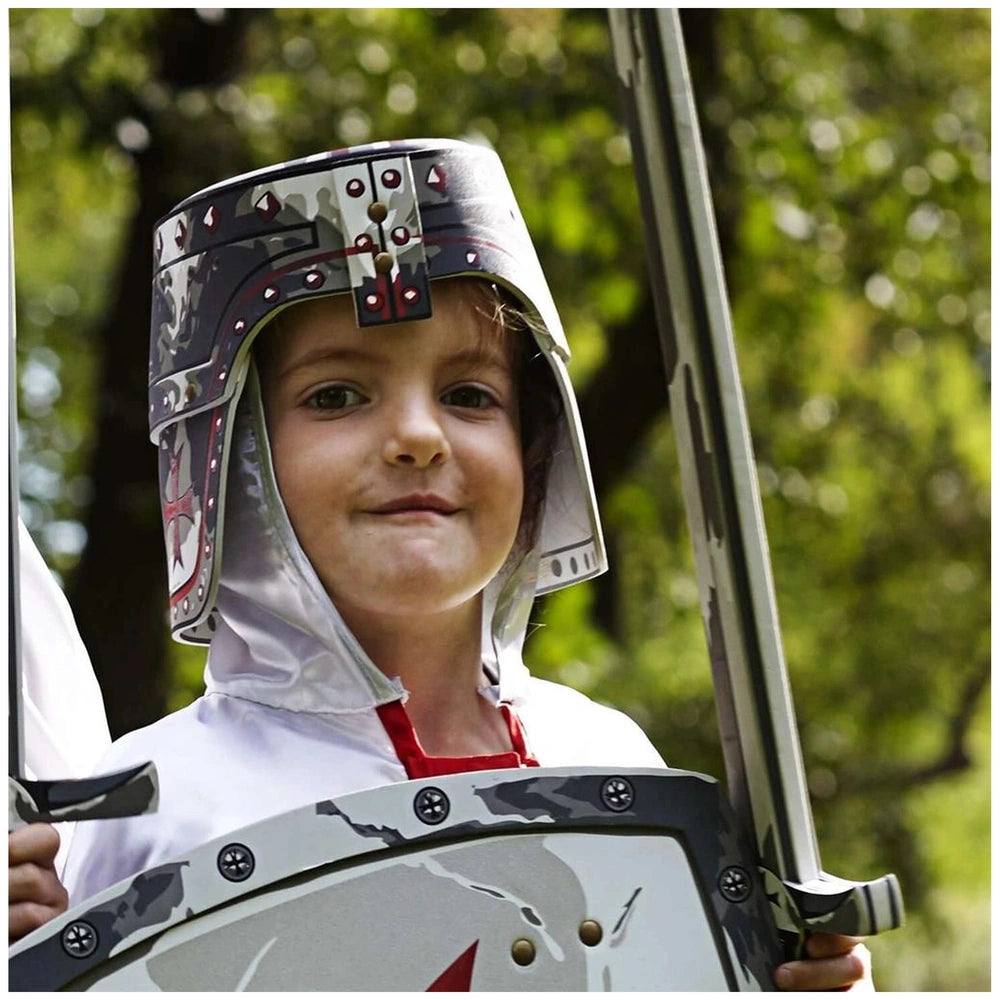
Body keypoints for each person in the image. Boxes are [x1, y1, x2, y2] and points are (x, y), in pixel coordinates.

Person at [9, 139, 870, 990]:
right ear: (228, 461)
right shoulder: (144, 814)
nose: (420, 436)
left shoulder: (616, 767)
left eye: (469, 396)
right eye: (336, 395)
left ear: (534, 449)